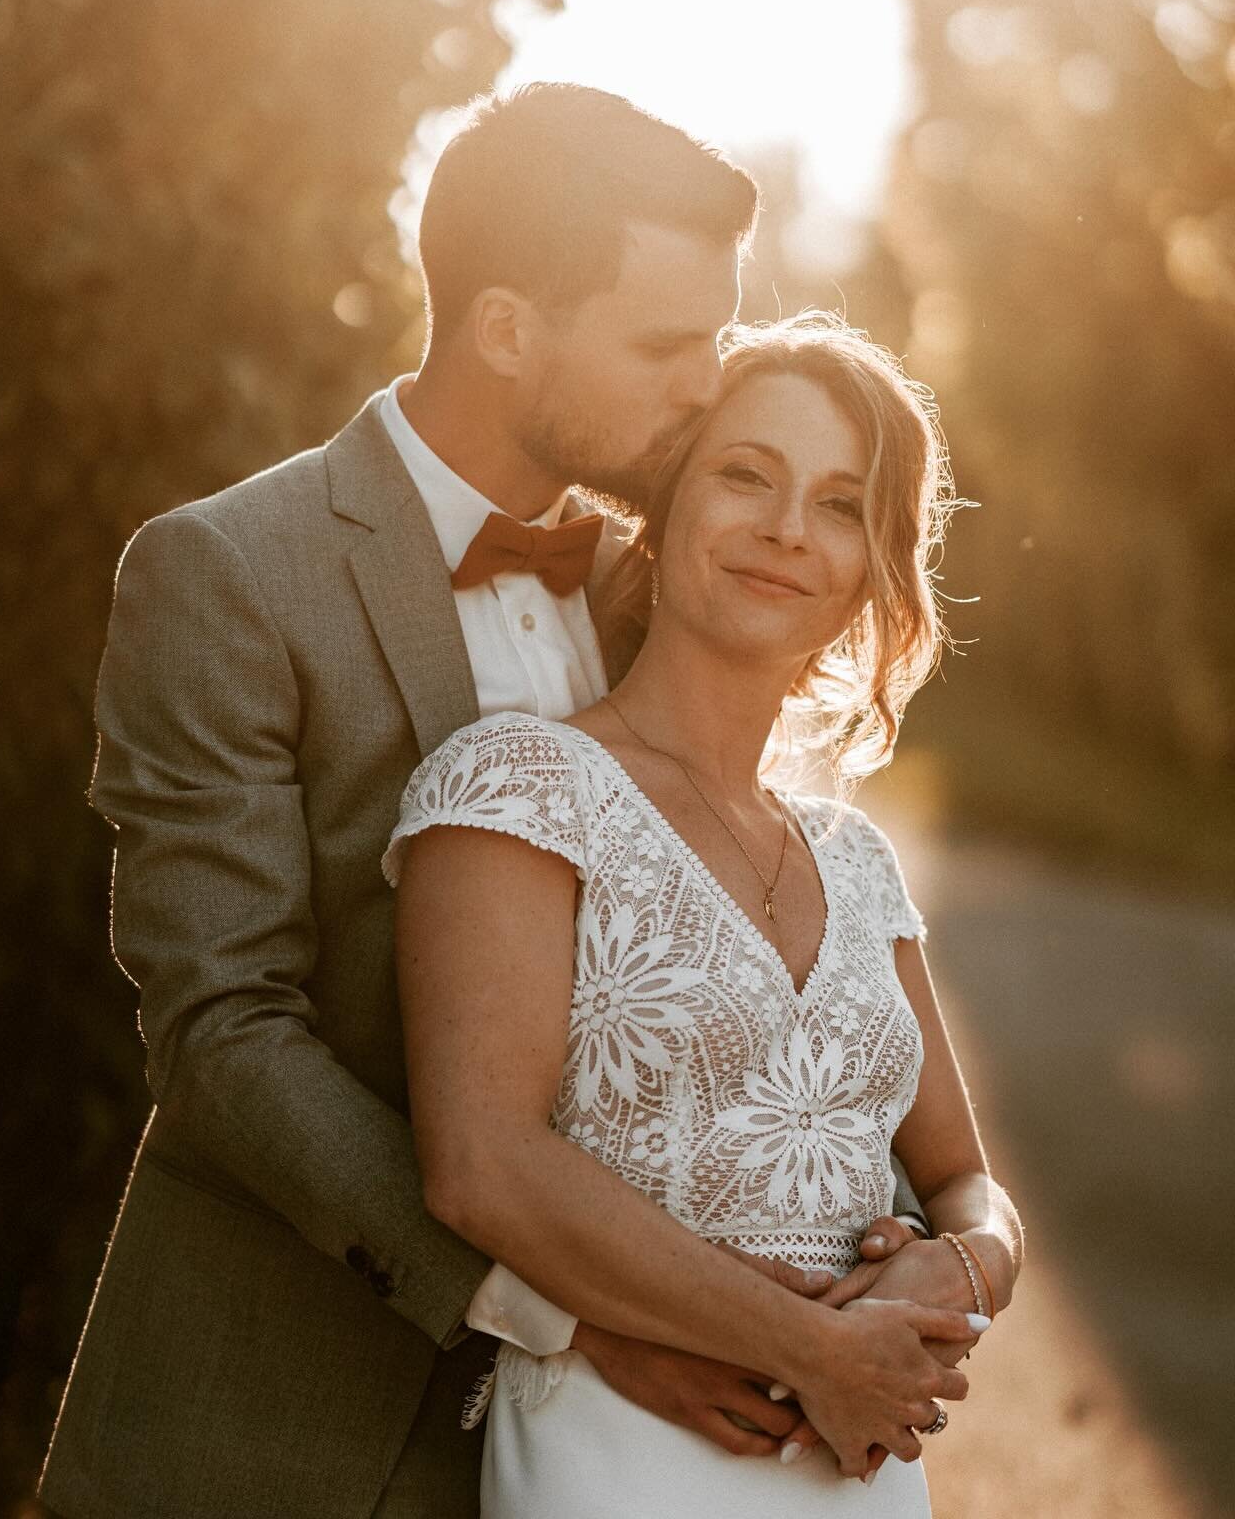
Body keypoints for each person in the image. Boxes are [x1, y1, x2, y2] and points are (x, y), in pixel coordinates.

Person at [42, 83, 818, 1519]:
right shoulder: (225, 578)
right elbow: (223, 1036)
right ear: (508, 327)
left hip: (623, 1464)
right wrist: (573, 1307)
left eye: (715, 335)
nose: (708, 384)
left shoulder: (663, 586)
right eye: (666, 342)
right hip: (273, 1430)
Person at [387, 314, 1022, 1516]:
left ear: (870, 574)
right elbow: (481, 1164)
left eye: (841, 506)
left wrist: (961, 1266)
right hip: (616, 1461)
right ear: (662, 506)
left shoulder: (858, 859)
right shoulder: (518, 784)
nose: (788, 529)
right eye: (747, 475)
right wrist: (813, 1351)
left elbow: (968, 1182)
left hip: (866, 1477)